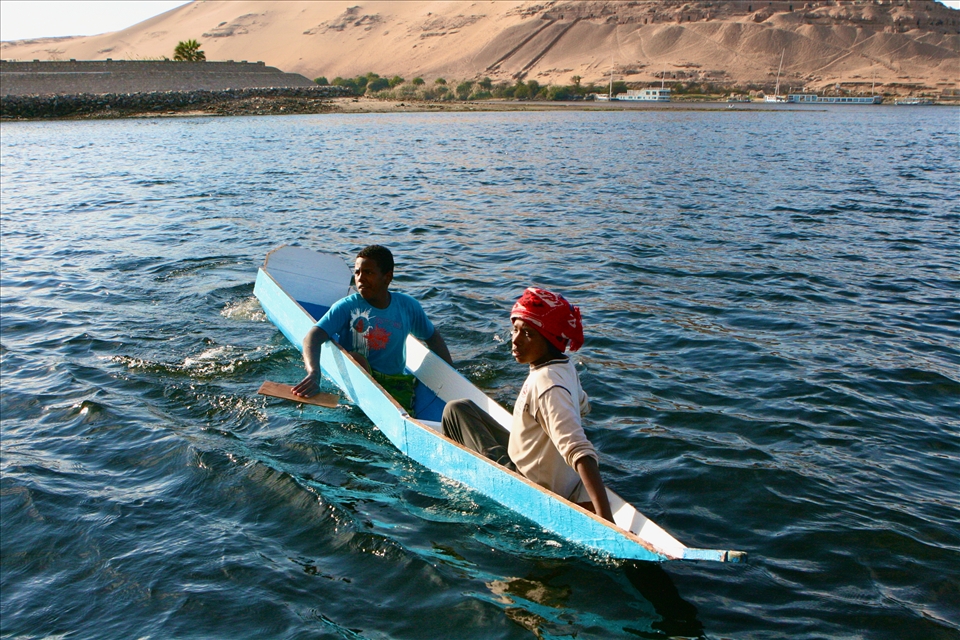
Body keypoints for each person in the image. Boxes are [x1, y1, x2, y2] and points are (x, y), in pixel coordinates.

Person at [441, 287, 613, 522]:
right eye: (515, 329)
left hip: (529, 485)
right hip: (548, 472)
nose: (515, 340)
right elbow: (582, 405)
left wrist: (606, 520)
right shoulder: (564, 368)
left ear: (550, 339)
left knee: (453, 412)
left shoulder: (547, 384)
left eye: (528, 334)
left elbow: (579, 450)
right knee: (462, 408)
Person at [292, 245, 452, 413]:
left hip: (394, 382)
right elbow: (313, 337)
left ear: (387, 277)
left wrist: (451, 375)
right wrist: (313, 373)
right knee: (357, 359)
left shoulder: (407, 307)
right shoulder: (347, 307)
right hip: (360, 379)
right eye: (357, 272)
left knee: (405, 413)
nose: (360, 279)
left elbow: (432, 337)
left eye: (368, 273)